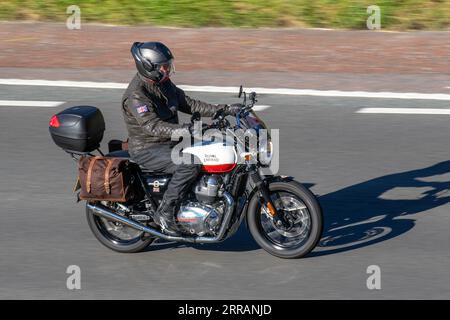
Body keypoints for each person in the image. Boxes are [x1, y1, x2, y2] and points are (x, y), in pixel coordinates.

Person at [121, 42, 241, 235]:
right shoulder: (136, 96)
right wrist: (187, 130)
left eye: (168, 65)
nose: (167, 69)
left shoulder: (163, 83)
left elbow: (189, 104)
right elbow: (153, 127)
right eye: (163, 66)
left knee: (217, 144)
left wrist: (223, 109)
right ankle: (166, 212)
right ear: (149, 67)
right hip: (148, 148)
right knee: (190, 163)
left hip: (170, 142)